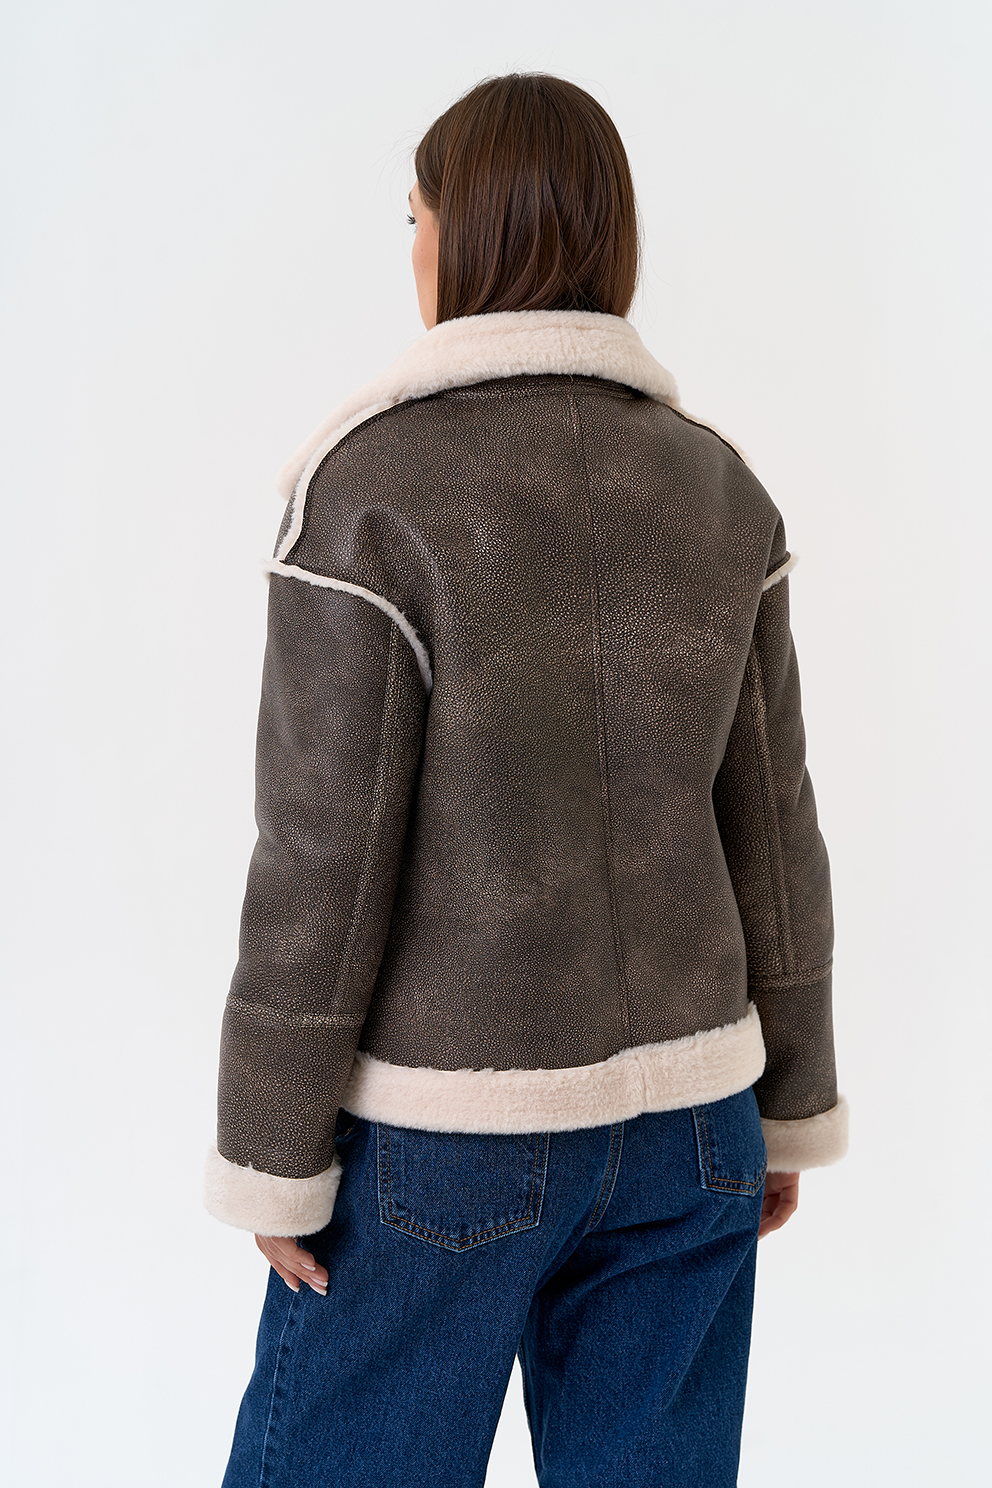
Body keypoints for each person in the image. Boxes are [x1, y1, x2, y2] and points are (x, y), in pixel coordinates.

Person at [204, 72, 847, 1488]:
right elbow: (774, 828)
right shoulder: (718, 489)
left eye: (415, 217)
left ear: (464, 231)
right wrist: (790, 1095)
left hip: (448, 1138)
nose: (413, 249)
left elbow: (320, 859)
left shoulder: (371, 491)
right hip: (694, 1126)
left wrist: (271, 1147)